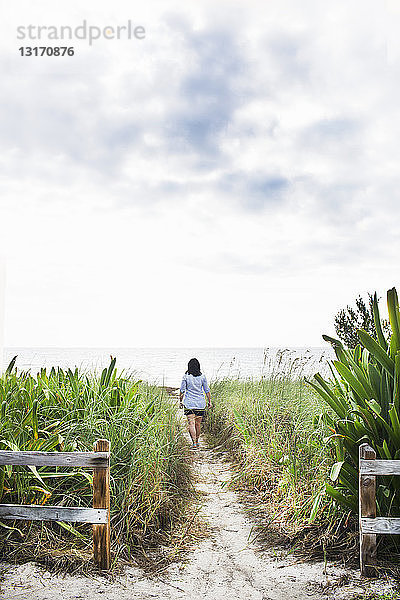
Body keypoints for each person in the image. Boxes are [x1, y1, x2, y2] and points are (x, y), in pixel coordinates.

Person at [179, 358, 211, 450]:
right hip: (200, 403)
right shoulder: (203, 377)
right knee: (198, 424)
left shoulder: (185, 377)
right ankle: (197, 441)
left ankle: (194, 443)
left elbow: (182, 391)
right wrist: (209, 402)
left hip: (189, 403)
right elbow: (207, 391)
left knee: (191, 423)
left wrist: (180, 401)